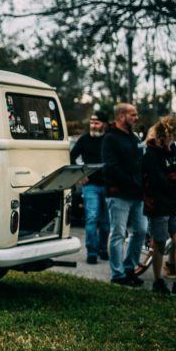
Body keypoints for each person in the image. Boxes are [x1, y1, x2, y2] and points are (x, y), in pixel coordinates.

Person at [103, 103, 147, 286]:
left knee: (141, 231)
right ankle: (118, 274)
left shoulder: (134, 138)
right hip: (119, 194)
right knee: (118, 233)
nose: (136, 118)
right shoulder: (110, 139)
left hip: (137, 195)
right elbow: (111, 167)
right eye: (133, 115)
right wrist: (132, 182)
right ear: (121, 116)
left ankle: (129, 269)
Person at [141, 114, 176, 294]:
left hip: (173, 203)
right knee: (160, 243)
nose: (173, 142)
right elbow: (158, 180)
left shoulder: (174, 152)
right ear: (163, 137)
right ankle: (158, 281)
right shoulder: (151, 154)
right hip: (157, 204)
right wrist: (172, 180)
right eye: (171, 139)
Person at [70, 111, 110, 264]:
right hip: (90, 186)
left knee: (106, 222)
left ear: (104, 124)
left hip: (108, 186)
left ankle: (103, 249)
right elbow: (72, 156)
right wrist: (81, 175)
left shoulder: (109, 140)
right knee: (92, 219)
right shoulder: (84, 139)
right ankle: (92, 252)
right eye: (92, 122)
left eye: (97, 122)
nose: (93, 125)